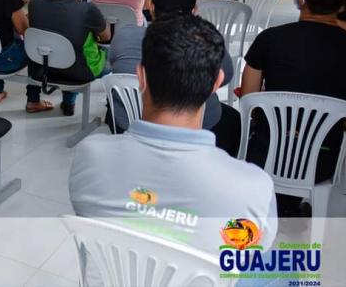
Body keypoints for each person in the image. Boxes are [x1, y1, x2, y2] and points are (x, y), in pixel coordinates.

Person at [69, 15, 277, 279]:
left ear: (141, 77)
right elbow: (247, 258)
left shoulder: (91, 156)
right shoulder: (254, 188)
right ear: (217, 82)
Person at [242, 0, 346, 195]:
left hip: (265, 154)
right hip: (322, 162)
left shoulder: (268, 40)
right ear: (342, 4)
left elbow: (249, 102)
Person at [107, 0, 240, 156]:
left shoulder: (124, 36)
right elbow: (227, 76)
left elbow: (112, 64)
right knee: (234, 119)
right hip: (199, 128)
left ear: (152, 7)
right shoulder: (209, 42)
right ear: (194, 10)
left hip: (129, 124)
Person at [26, 0, 109, 115]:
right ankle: (70, 102)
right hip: (78, 72)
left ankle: (34, 100)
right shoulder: (86, 9)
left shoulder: (34, 4)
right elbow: (106, 36)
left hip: (43, 69)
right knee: (107, 55)